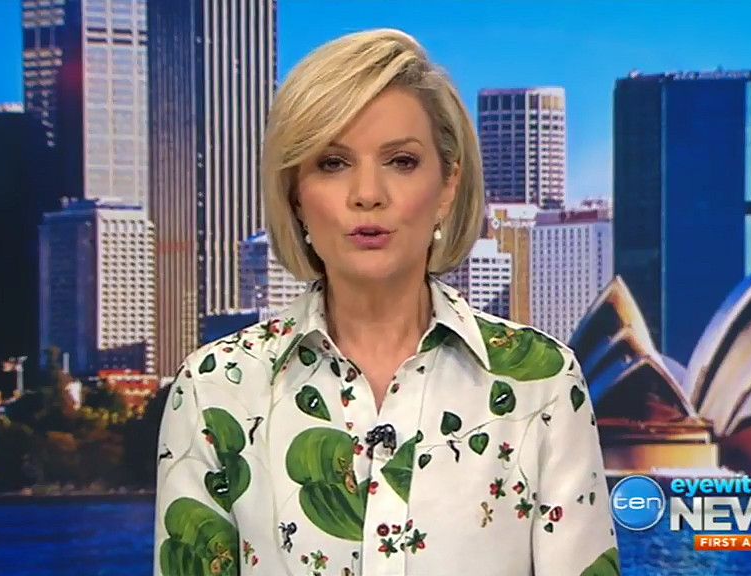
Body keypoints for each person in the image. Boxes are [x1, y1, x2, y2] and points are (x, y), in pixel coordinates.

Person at [154, 28, 619, 576]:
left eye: (401, 161)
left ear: (448, 184)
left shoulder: (540, 381)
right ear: (294, 194)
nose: (368, 194)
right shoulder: (215, 387)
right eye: (333, 163)